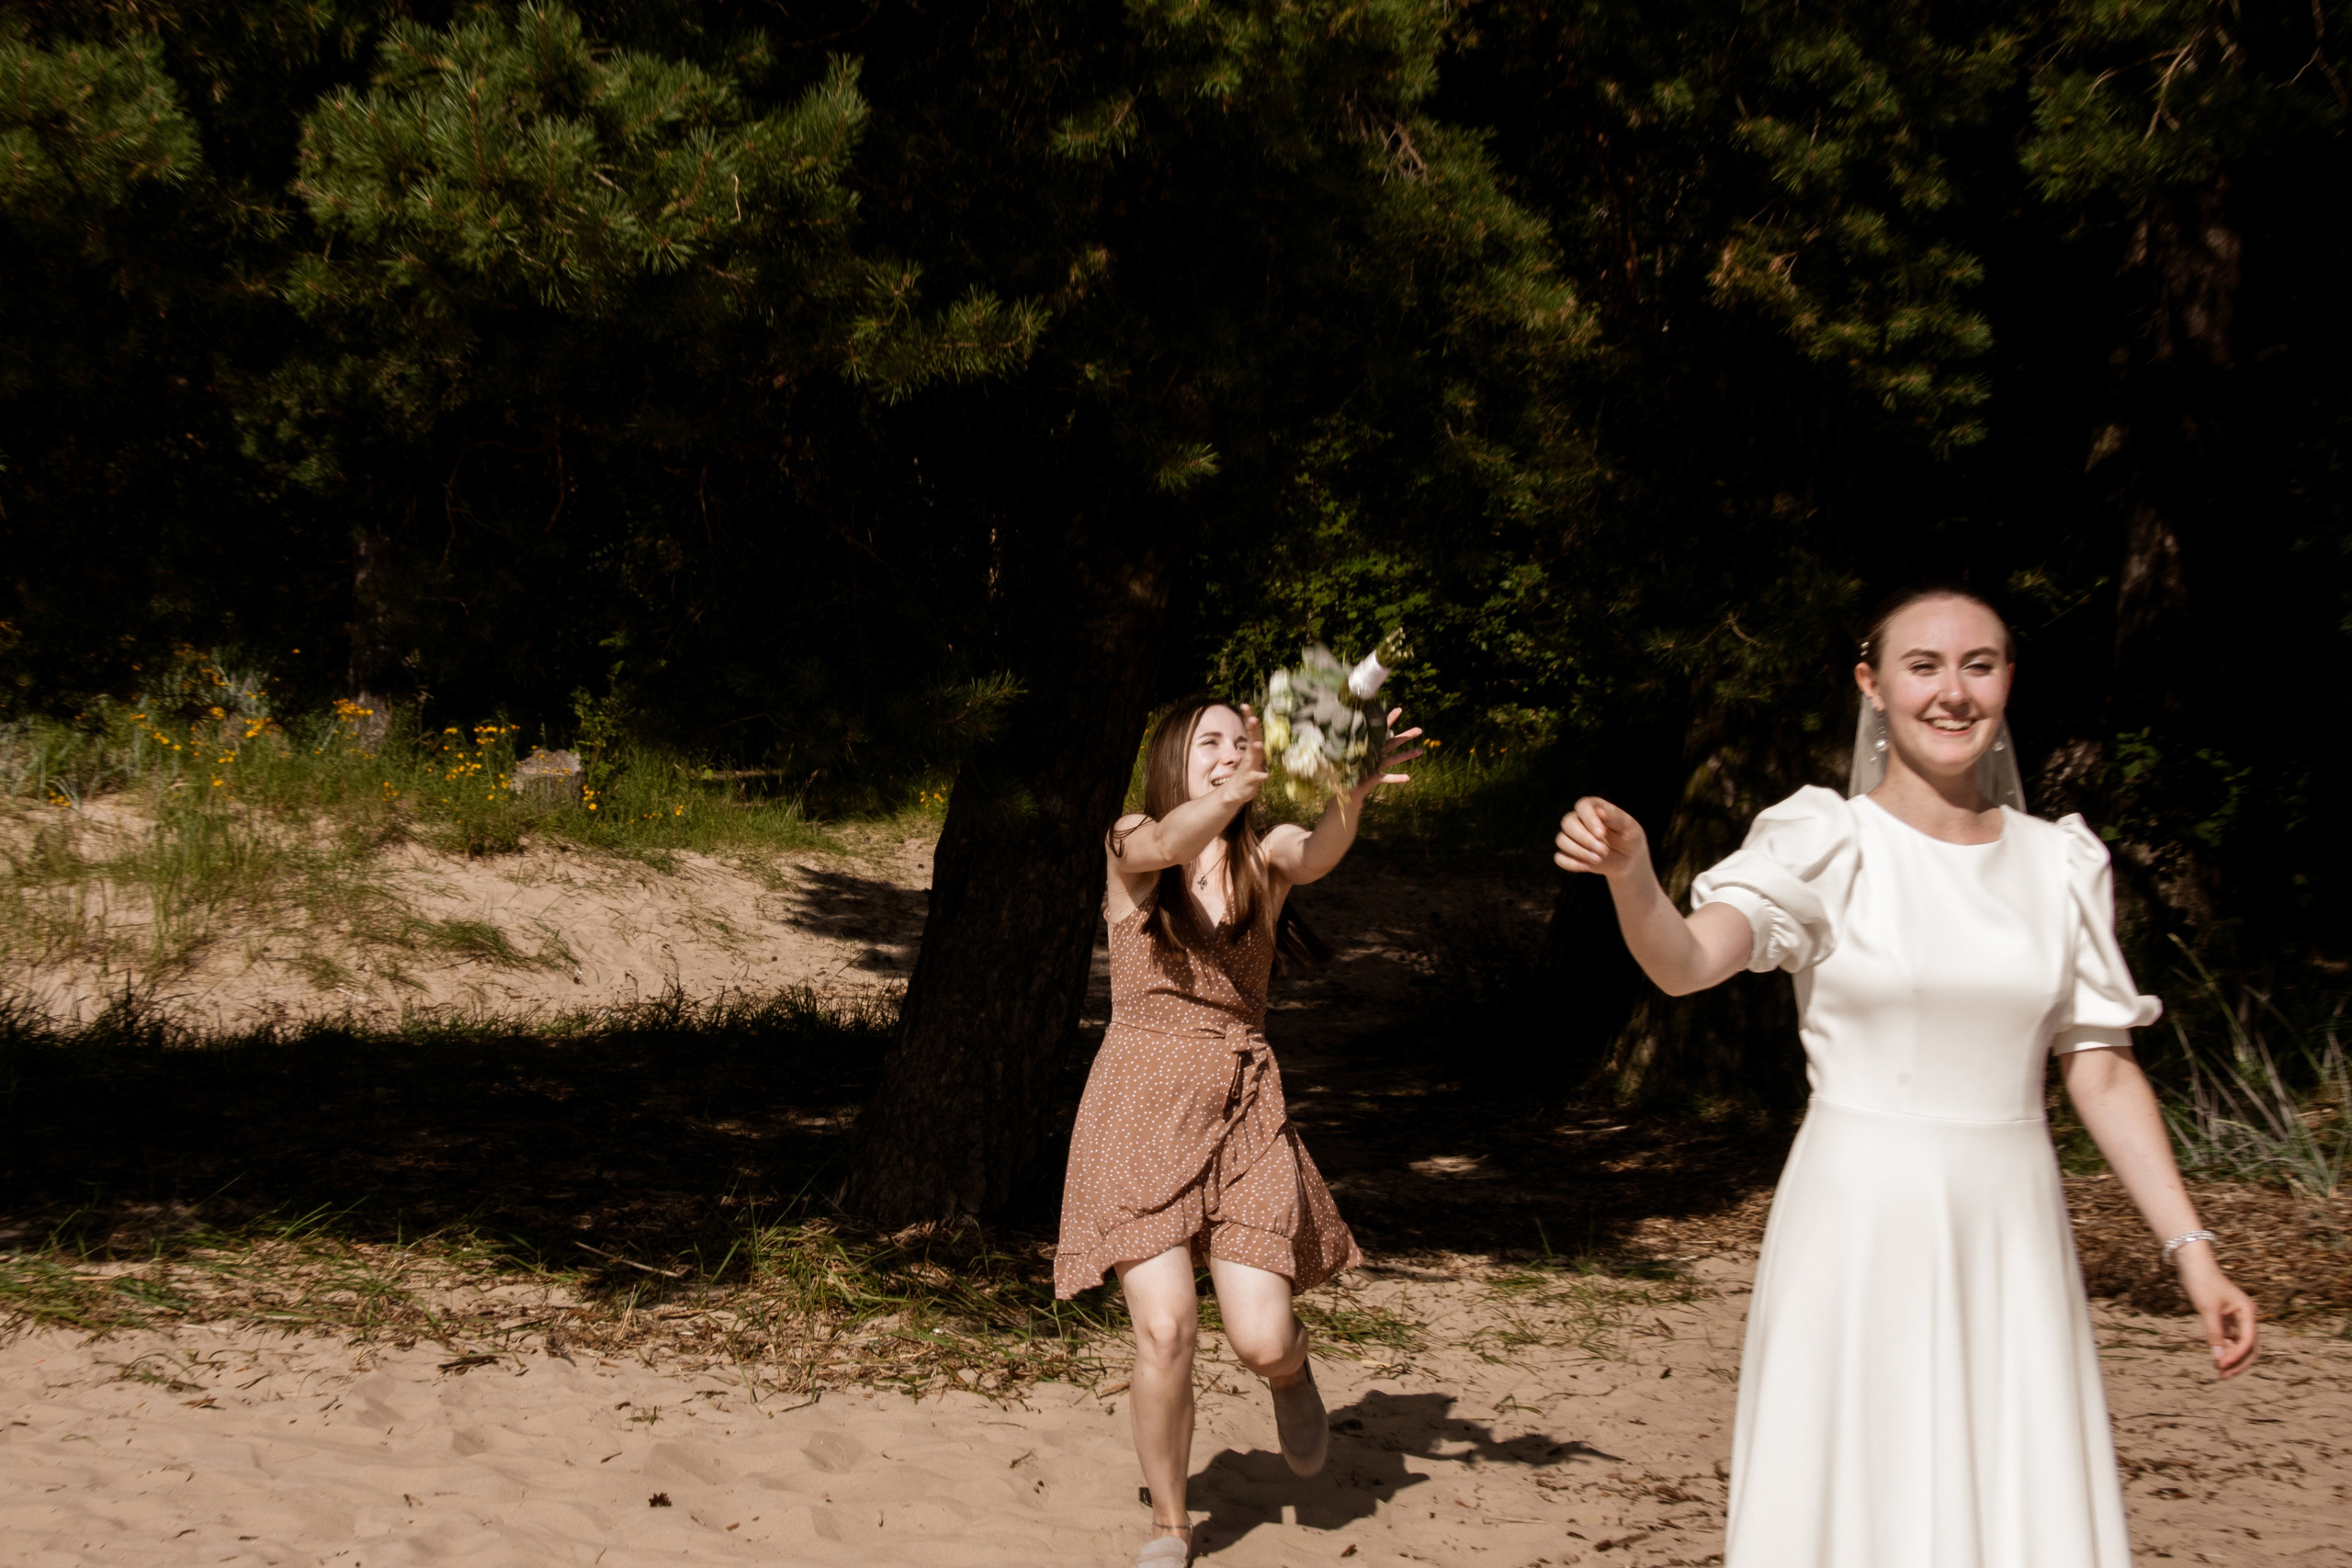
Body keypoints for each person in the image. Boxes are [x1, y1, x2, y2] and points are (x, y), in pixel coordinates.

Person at [1553, 585, 2259, 1567]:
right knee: (1859, 1491)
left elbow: (2098, 1070)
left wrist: (2194, 1255)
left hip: (2011, 1227)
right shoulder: (1825, 840)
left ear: (2008, 681)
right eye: (1922, 666)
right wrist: (1632, 875)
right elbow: (1683, 965)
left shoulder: (2061, 863)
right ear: (1871, 685)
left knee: (2013, 1491)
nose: (1953, 691)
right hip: (1859, 1223)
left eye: (1980, 664)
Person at [1057, 693, 1419, 1567]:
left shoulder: (1267, 854)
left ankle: (1291, 1373)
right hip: (1137, 1107)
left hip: (1243, 1104)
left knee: (1259, 1334)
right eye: (1208, 742)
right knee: (1169, 1327)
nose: (1227, 753)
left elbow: (1320, 850)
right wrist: (1224, 796)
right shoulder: (1132, 840)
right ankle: (1172, 1526)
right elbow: (1168, 842)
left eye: (1240, 741)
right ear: (1173, 760)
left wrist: (1352, 792)